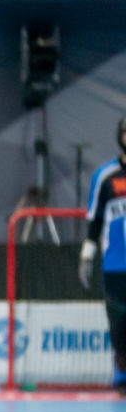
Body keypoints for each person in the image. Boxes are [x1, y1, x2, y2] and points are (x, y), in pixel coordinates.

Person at [81, 116, 126, 395]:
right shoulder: (105, 175)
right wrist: (87, 254)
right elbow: (95, 219)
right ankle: (121, 375)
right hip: (115, 264)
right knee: (119, 322)